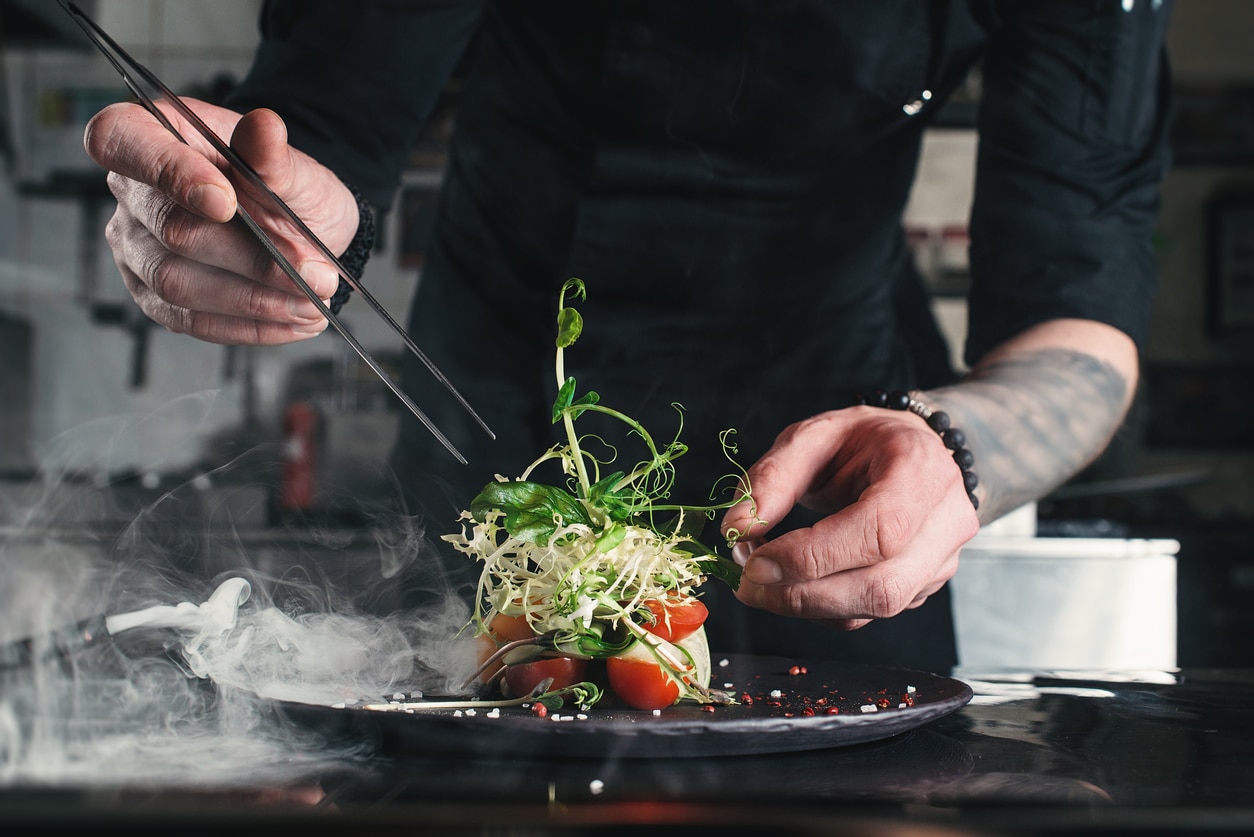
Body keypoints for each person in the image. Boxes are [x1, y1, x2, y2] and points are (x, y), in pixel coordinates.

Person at [83, 1, 1174, 674]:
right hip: (494, 439)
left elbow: (1076, 320)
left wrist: (958, 450)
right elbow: (323, 117)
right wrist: (262, 209)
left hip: (839, 463)